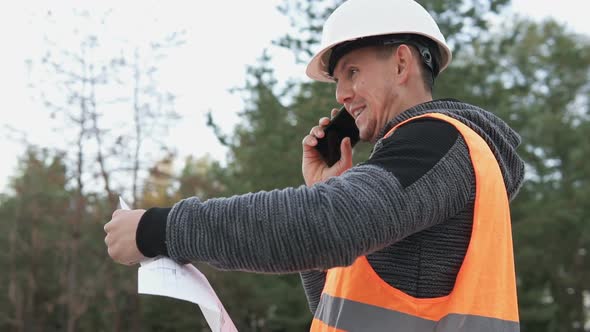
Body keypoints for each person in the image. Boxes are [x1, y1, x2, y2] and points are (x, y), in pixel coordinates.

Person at [104, 0, 525, 330]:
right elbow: (336, 309)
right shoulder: (429, 157)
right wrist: (321, 190)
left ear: (401, 64)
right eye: (338, 80)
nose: (342, 93)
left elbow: (329, 227)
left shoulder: (435, 140)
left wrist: (159, 229)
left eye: (353, 71)